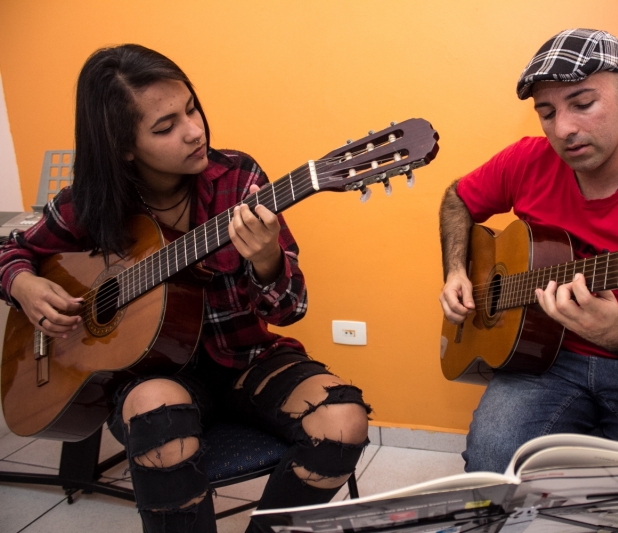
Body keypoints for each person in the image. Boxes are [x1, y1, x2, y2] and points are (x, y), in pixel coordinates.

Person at [0, 44, 370, 533]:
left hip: (244, 361)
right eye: (165, 126)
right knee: (159, 421)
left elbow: (291, 308)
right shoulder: (93, 203)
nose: (194, 130)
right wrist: (23, 284)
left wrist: (266, 259)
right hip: (146, 377)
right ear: (122, 146)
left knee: (344, 420)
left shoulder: (237, 178)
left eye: (191, 107)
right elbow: (12, 250)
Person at [438, 29, 618, 531]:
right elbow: (456, 198)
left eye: (582, 103)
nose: (564, 128)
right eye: (547, 113)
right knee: (491, 476)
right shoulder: (526, 160)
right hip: (542, 363)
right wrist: (457, 271)